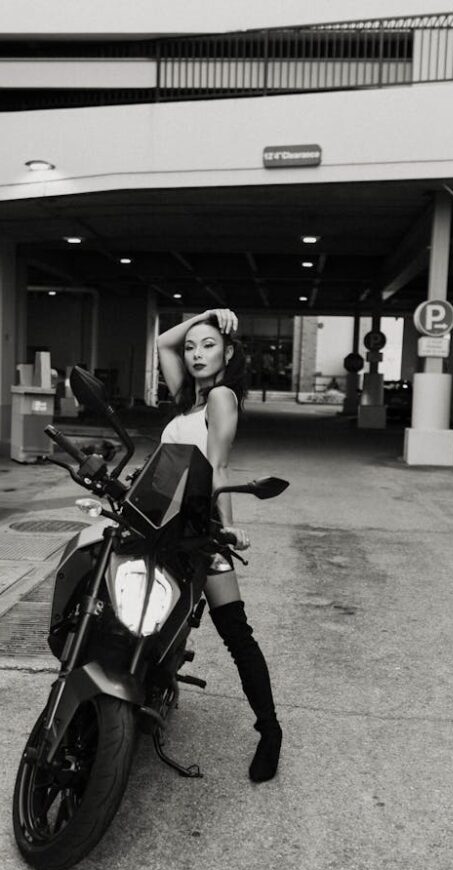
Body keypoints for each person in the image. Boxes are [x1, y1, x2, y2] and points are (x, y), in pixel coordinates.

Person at [156, 308, 282, 783]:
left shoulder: (222, 398)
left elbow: (220, 467)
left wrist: (225, 529)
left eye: (208, 344)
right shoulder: (187, 400)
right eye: (192, 347)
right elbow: (164, 343)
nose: (194, 353)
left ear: (228, 352)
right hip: (160, 522)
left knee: (235, 631)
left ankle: (270, 732)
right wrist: (204, 316)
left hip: (200, 525)